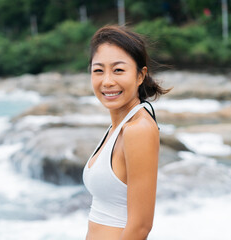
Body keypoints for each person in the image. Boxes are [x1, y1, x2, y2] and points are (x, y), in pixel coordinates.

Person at [82, 25, 170, 240]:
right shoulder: (118, 126)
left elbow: (140, 227)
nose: (107, 81)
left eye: (118, 70)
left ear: (141, 75)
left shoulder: (138, 129)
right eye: (98, 70)